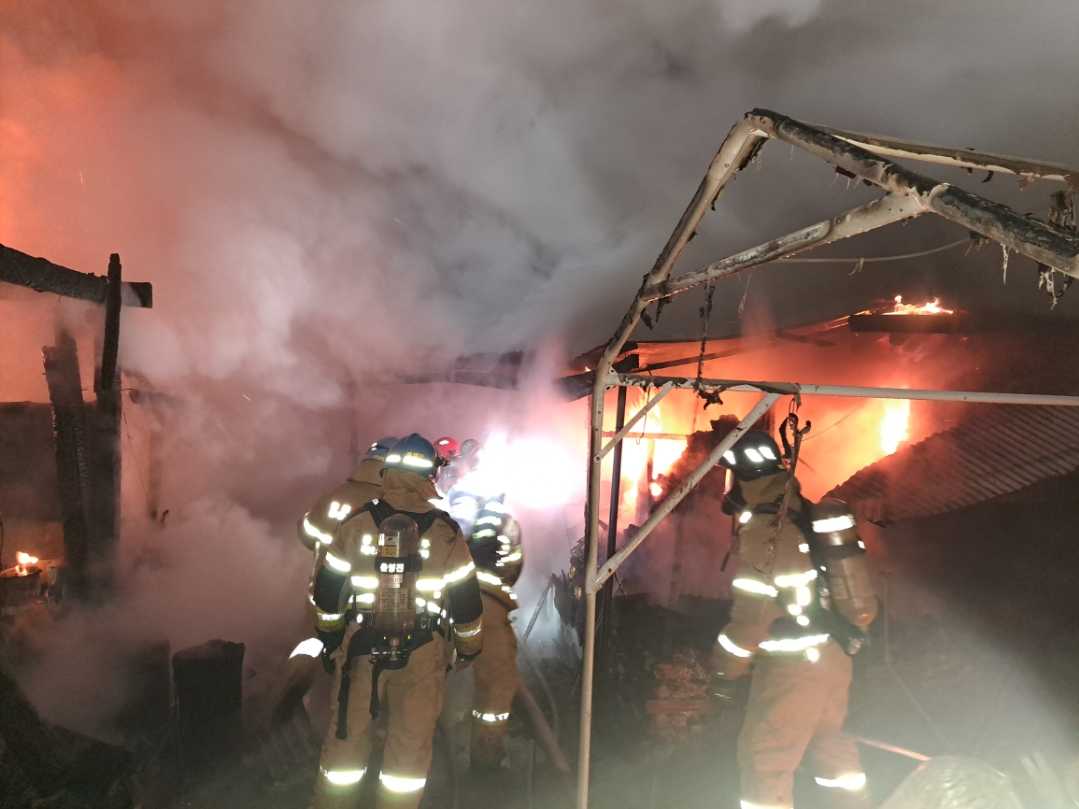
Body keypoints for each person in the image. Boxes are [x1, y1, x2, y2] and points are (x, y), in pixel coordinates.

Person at [312, 433, 484, 809]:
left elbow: (326, 592)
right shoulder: (446, 532)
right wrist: (469, 649)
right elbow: (467, 602)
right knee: (408, 753)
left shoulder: (357, 523)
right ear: (430, 476)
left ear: (387, 472)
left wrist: (331, 639)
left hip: (359, 647)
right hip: (423, 652)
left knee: (345, 744)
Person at [712, 430, 876, 809]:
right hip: (833, 658)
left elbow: (751, 619)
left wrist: (724, 671)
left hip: (794, 669)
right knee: (832, 750)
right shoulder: (800, 510)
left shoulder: (765, 532)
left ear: (741, 475)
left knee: (765, 760)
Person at [465, 494, 524, 771]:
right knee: (497, 688)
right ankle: (486, 758)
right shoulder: (505, 526)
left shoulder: (464, 521)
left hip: (461, 603)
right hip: (489, 607)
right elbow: (512, 567)